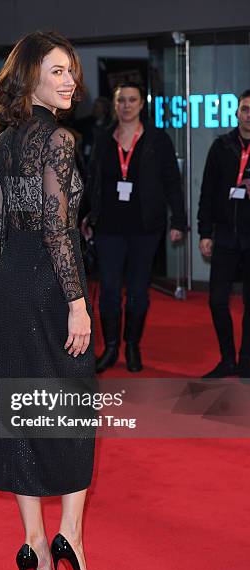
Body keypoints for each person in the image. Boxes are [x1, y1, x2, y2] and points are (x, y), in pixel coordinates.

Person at [0, 31, 101, 570]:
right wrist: (78, 305)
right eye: (57, 72)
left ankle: (35, 543)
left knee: (23, 411)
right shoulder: (59, 139)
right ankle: (70, 535)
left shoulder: (5, 140)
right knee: (76, 408)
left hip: (10, 285)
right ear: (32, 76)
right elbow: (58, 230)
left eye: (72, 72)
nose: (69, 81)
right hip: (50, 285)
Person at [85, 81, 186, 373]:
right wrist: (87, 215)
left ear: (142, 104)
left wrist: (178, 220)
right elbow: (92, 181)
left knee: (139, 291)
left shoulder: (157, 139)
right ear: (115, 105)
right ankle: (111, 347)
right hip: (108, 227)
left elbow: (172, 183)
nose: (126, 105)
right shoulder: (104, 138)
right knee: (109, 291)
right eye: (121, 100)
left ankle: (132, 345)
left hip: (146, 227)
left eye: (132, 100)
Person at [198, 89, 250, 379]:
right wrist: (205, 232)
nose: (249, 115)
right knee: (217, 299)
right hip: (225, 236)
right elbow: (207, 192)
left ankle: (246, 361)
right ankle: (227, 358)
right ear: (237, 112)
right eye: (245, 109)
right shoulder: (221, 147)